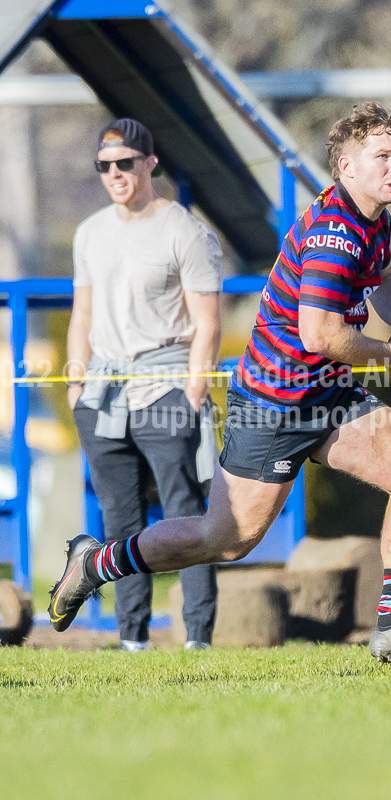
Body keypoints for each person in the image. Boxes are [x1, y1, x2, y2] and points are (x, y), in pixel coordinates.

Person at [50, 103, 391, 670]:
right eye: (382, 157)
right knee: (224, 540)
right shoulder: (335, 234)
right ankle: (95, 563)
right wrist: (390, 353)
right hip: (272, 403)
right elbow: (319, 332)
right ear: (346, 165)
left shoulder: (374, 221)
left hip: (327, 394)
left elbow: (385, 273)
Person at [65, 118, 222, 651]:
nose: (115, 174)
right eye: (105, 166)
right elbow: (81, 314)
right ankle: (131, 638)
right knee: (119, 519)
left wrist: (193, 391)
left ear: (150, 164)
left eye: (125, 163)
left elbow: (208, 321)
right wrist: (74, 382)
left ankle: (196, 635)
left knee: (185, 514)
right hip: (102, 392)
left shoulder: (185, 230)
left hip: (165, 385)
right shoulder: (89, 233)